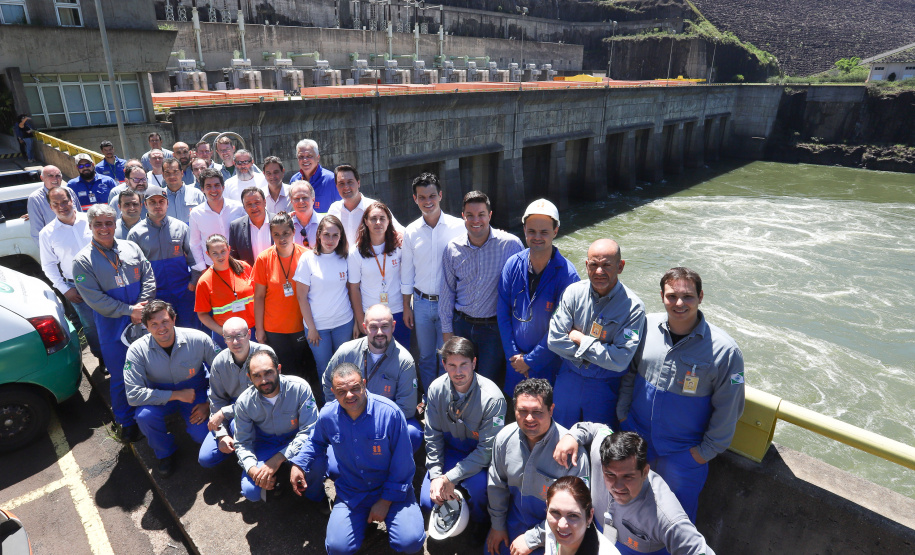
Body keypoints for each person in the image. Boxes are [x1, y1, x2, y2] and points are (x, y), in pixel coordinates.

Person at [617, 267, 745, 522]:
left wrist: (702, 453)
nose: (679, 303)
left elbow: (729, 408)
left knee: (675, 522)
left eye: (687, 296)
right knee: (628, 511)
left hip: (683, 455)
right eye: (672, 295)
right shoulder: (646, 325)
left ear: (701, 297)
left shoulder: (725, 351)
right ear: (662, 296)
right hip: (636, 443)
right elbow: (630, 372)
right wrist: (623, 417)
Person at [288, 363, 426, 555]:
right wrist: (298, 464)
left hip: (392, 490)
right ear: (333, 392)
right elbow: (315, 442)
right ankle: (363, 522)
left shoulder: (390, 413)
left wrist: (385, 501)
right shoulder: (328, 415)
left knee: (410, 542)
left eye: (355, 388)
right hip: (353, 491)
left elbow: (403, 465)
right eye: (341, 391)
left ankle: (386, 519)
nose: (350, 395)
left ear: (364, 383)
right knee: (337, 548)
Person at [72, 204, 156, 442]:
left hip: (143, 318)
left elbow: (148, 276)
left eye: (109, 222)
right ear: (90, 226)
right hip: (113, 326)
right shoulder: (83, 261)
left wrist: (143, 305)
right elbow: (95, 300)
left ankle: (153, 412)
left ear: (115, 223)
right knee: (121, 375)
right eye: (98, 224)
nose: (104, 228)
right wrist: (130, 311)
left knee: (151, 366)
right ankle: (126, 421)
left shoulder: (131, 247)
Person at [560, 431, 715, 555]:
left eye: (628, 476)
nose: (617, 486)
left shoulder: (665, 515)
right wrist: (572, 436)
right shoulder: (597, 454)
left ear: (645, 471)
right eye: (610, 475)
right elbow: (594, 428)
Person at [547, 239, 645, 430]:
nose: (599, 271)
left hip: (604, 387)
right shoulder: (572, 293)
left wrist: (580, 339)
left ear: (620, 266)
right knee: (560, 435)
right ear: (586, 265)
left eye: (607, 265)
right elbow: (554, 340)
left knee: (601, 445)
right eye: (594, 265)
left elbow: (620, 360)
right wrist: (596, 356)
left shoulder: (634, 308)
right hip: (569, 379)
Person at [486, 378, 589, 555]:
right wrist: (497, 526)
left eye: (537, 412)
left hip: (556, 532)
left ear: (551, 410)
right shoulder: (504, 439)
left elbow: (578, 511)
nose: (529, 418)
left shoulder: (573, 453)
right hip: (514, 522)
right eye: (522, 411)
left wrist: (532, 539)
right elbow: (497, 486)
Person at [124, 300, 220, 476]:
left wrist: (208, 402)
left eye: (165, 321)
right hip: (161, 395)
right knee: (144, 416)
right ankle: (165, 453)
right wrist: (175, 395)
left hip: (195, 392)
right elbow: (133, 395)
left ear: (174, 319)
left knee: (200, 435)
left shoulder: (198, 339)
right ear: (146, 326)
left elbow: (223, 373)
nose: (161, 328)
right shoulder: (136, 351)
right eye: (154, 324)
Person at [421, 337, 506, 529]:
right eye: (452, 365)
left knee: (479, 491)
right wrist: (436, 474)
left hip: (478, 460)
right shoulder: (435, 389)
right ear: (443, 364)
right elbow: (432, 435)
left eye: (463, 365)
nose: (458, 372)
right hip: (450, 451)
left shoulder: (493, 399)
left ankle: (479, 524)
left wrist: (450, 478)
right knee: (428, 502)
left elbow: (486, 451)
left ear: (474, 363)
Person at [498, 199, 580, 396]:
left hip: (548, 364)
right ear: (524, 229)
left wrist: (530, 361)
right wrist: (514, 356)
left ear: (556, 231)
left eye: (544, 232)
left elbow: (562, 327)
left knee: (542, 415)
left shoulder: (568, 275)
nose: (537, 237)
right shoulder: (512, 265)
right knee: (517, 409)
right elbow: (502, 312)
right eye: (532, 231)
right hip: (515, 363)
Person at [440, 191, 523, 384]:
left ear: (490, 215)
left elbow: (521, 291)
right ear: (463, 217)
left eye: (481, 215)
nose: (475, 220)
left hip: (493, 329)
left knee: (488, 381)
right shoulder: (452, 248)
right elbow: (446, 294)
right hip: (461, 325)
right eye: (470, 215)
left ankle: (485, 415)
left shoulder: (511, 245)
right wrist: (447, 335)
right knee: (461, 379)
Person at [323, 304, 422, 451]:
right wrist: (346, 414)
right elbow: (327, 384)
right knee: (333, 470)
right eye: (374, 327)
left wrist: (372, 425)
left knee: (412, 433)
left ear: (393, 326)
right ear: (364, 327)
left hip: (385, 422)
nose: (380, 332)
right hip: (349, 416)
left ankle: (392, 466)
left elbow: (406, 408)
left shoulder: (404, 361)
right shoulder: (346, 352)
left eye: (385, 326)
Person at [400, 172, 465, 394]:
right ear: (415, 199)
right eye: (422, 197)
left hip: (449, 303)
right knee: (426, 356)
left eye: (432, 196)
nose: (428, 201)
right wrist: (406, 306)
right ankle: (430, 398)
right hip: (420, 303)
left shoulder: (460, 227)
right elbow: (407, 271)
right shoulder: (411, 231)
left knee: (447, 354)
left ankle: (446, 397)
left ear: (440, 195)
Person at [234, 349, 323, 503]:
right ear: (249, 377)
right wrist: (253, 470)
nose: (263, 380)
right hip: (266, 444)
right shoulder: (244, 402)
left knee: (317, 465)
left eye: (268, 372)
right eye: (257, 375)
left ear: (279, 369)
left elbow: (310, 429)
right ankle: (279, 477)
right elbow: (242, 442)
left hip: (296, 438)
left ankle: (316, 496)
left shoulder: (299, 388)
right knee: (250, 491)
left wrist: (278, 458)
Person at [253, 211, 319, 393]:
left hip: (302, 326)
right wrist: (259, 329)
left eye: (286, 233)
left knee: (307, 372)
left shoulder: (307, 256)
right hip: (275, 329)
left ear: (293, 231)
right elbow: (258, 297)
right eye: (276, 234)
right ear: (271, 235)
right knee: (285, 375)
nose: (281, 238)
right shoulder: (263, 259)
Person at [198, 317, 274, 468]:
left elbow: (268, 396)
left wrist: (226, 412)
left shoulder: (265, 355)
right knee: (206, 458)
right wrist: (222, 435)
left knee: (237, 424)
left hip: (264, 409)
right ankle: (238, 447)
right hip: (231, 409)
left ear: (248, 334)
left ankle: (254, 462)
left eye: (239, 335)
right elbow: (216, 400)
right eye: (229, 337)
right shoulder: (219, 362)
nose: (235, 342)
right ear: (224, 339)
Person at [38, 186, 102, 364]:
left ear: (71, 200)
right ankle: (102, 358)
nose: (62, 206)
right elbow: (48, 265)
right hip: (77, 287)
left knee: (113, 318)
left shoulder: (91, 220)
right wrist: (65, 290)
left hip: (105, 280)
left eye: (64, 201)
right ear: (51, 207)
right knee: (91, 326)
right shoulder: (47, 234)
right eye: (56, 203)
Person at [127, 185, 200, 330]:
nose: (157, 205)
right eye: (152, 202)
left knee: (189, 329)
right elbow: (133, 269)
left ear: (167, 204)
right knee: (162, 331)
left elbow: (194, 257)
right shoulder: (135, 234)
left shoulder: (181, 227)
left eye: (161, 201)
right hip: (155, 294)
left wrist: (193, 281)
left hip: (183, 291)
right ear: (145, 205)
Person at [293, 215, 354, 388]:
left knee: (345, 366)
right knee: (325, 368)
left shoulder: (345, 258)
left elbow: (350, 290)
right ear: (319, 234)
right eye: (327, 234)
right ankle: (329, 404)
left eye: (335, 235)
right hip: (318, 328)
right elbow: (301, 297)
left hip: (343, 323)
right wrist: (311, 328)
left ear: (341, 237)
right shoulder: (307, 259)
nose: (330, 239)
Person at [347, 201, 410, 348]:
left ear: (389, 221)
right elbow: (354, 288)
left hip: (397, 311)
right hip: (371, 315)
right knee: (376, 358)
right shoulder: (355, 252)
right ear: (366, 222)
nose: (378, 222)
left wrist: (407, 308)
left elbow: (408, 278)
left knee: (402, 354)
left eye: (382, 218)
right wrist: (360, 318)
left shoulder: (399, 246)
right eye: (373, 218)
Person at [194, 234, 255, 348]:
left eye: (223, 251)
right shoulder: (204, 281)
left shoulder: (244, 267)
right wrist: (222, 332)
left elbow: (259, 297)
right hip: (227, 336)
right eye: (215, 253)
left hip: (252, 330)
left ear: (229, 249)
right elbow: (202, 314)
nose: (220, 256)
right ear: (208, 254)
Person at [327, 164, 402, 246]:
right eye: (341, 183)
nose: (346, 187)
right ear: (336, 186)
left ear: (358, 183)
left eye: (350, 182)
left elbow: (400, 231)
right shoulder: (334, 209)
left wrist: (400, 236)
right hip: (341, 258)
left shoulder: (375, 208)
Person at [544, 476, 620, 555]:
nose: (562, 525)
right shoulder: (552, 525)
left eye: (573, 515)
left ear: (590, 516)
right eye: (555, 512)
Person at [189, 168, 245, 272]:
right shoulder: (196, 214)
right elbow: (195, 244)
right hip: (211, 267)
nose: (213, 190)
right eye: (208, 186)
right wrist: (203, 269)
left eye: (217, 185)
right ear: (202, 189)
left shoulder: (238, 208)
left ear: (223, 187)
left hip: (238, 263)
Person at [28, 165, 80, 244]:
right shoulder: (35, 198)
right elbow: (37, 232)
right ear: (42, 178)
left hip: (78, 239)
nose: (55, 179)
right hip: (57, 245)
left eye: (58, 176)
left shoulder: (69, 191)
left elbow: (80, 215)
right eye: (50, 176)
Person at [289, 139, 339, 213]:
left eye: (309, 156)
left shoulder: (331, 180)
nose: (305, 160)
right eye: (301, 157)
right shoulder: (294, 180)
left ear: (318, 158)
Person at [229, 187, 272, 266]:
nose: (254, 207)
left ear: (265, 202)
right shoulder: (236, 227)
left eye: (257, 202)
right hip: (250, 276)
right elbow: (234, 258)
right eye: (249, 204)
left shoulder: (278, 222)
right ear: (244, 207)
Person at [161, 158, 205, 225]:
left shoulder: (196, 194)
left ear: (182, 173)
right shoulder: (160, 197)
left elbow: (205, 218)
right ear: (163, 175)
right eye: (167, 173)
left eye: (175, 172)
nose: (172, 176)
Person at [289, 180, 322, 248]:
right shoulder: (286, 224)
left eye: (305, 197)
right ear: (291, 201)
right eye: (297, 198)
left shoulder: (324, 223)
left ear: (313, 200)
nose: (301, 201)